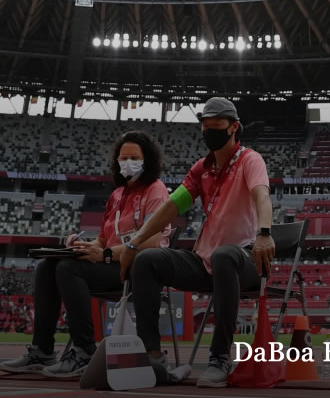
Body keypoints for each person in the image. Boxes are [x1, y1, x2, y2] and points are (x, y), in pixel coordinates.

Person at [118, 98, 274, 388]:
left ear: (234, 127)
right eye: (205, 127)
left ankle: (220, 358)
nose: (209, 132)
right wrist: (135, 242)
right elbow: (169, 209)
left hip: (245, 259)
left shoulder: (250, 160)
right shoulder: (201, 169)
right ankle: (151, 356)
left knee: (225, 255)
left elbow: (261, 196)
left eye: (216, 127)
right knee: (147, 260)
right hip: (206, 261)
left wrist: (265, 232)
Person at [0, 131, 171, 379]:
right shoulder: (117, 195)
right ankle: (42, 350)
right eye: (123, 157)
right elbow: (104, 238)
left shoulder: (155, 191)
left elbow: (152, 242)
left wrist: (105, 254)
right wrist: (84, 245)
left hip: (136, 269)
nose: (128, 162)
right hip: (110, 261)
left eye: (134, 157)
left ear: (148, 160)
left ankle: (84, 350)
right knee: (48, 266)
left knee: (68, 269)